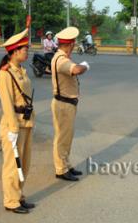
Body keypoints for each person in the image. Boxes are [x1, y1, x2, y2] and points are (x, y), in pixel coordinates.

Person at [0, 29, 35, 214]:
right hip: (14, 125)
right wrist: (12, 128)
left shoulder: (22, 71)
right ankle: (11, 201)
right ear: (15, 51)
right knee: (13, 165)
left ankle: (18, 196)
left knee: (23, 164)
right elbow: (7, 103)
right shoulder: (5, 73)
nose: (27, 51)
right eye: (24, 48)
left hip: (25, 123)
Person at [51, 27, 89, 181]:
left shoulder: (61, 57)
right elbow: (77, 70)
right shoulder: (61, 60)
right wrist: (86, 65)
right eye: (73, 44)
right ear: (70, 44)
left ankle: (65, 164)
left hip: (67, 103)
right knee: (62, 138)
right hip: (64, 104)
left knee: (66, 137)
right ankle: (61, 169)